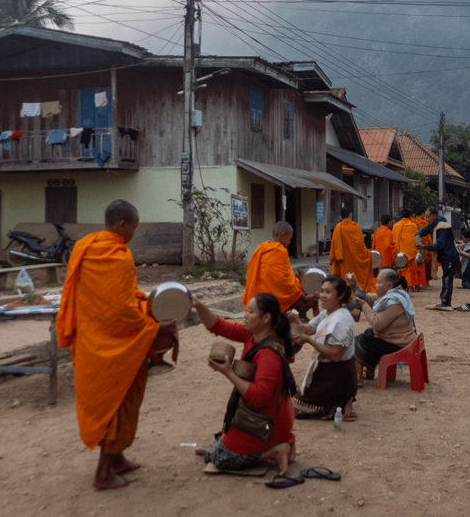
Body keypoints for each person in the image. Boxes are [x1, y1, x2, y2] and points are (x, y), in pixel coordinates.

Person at [57, 199, 178, 491]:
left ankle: (118, 458)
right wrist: (155, 326)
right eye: (133, 228)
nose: (134, 233)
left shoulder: (85, 247)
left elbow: (114, 297)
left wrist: (143, 298)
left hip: (92, 340)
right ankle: (102, 474)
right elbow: (122, 312)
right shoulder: (119, 255)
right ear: (122, 225)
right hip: (115, 346)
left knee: (116, 401)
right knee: (118, 401)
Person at [193, 293, 298, 475]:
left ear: (266, 318)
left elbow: (259, 397)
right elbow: (218, 325)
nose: (245, 315)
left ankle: (275, 451)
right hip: (265, 414)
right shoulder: (252, 334)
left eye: (250, 311)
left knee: (218, 457)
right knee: (219, 444)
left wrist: (228, 373)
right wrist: (198, 304)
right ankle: (281, 442)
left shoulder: (269, 354)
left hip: (269, 420)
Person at [291, 275, 358, 421]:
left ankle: (336, 406)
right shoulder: (327, 313)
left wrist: (308, 341)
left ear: (340, 296)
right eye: (321, 291)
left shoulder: (341, 320)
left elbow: (335, 356)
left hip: (338, 374)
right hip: (325, 371)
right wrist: (295, 320)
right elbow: (308, 329)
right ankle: (340, 401)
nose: (322, 296)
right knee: (292, 405)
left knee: (293, 409)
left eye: (327, 292)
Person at [346, 268, 417, 386]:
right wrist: (354, 284)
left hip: (398, 343)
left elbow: (377, 324)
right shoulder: (389, 296)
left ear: (389, 285)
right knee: (369, 333)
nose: (376, 285)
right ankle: (370, 371)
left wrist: (364, 306)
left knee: (359, 340)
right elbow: (366, 296)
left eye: (379, 282)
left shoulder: (394, 301)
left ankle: (358, 378)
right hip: (398, 339)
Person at [242, 221, 318, 316]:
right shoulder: (280, 250)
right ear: (283, 235)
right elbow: (286, 283)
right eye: (289, 238)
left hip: (257, 298)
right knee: (304, 296)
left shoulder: (261, 248)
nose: (290, 242)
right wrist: (303, 296)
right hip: (272, 300)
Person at [416, 207, 460, 309]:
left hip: (449, 256)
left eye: (428, 216)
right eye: (426, 217)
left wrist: (425, 247)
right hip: (445, 256)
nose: (427, 219)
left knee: (447, 279)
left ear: (435, 215)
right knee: (446, 278)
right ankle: (445, 300)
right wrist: (417, 236)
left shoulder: (442, 227)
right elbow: (424, 230)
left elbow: (440, 245)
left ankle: (445, 301)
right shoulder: (433, 225)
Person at [329, 205, 374, 293]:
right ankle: (358, 293)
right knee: (356, 277)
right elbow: (361, 246)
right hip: (356, 259)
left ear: (340, 217)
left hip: (343, 261)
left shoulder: (338, 227)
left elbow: (334, 246)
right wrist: (368, 254)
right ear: (351, 215)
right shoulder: (356, 226)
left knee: (344, 280)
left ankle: (345, 296)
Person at [391, 208, 421, 292]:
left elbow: (394, 239)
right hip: (411, 252)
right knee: (411, 270)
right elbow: (414, 239)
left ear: (401, 215)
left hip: (400, 252)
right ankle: (411, 287)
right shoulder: (413, 225)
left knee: (403, 271)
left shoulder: (396, 226)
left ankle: (405, 287)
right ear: (410, 216)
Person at [412, 209, 431, 288]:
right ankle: (425, 283)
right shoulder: (423, 223)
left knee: (413, 268)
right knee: (424, 267)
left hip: (412, 248)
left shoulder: (413, 223)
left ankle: (413, 286)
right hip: (423, 247)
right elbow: (427, 236)